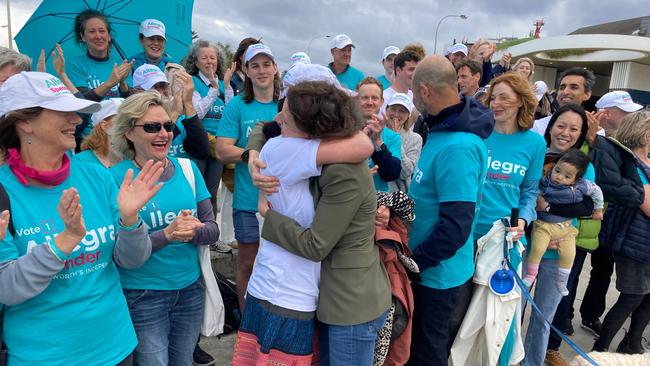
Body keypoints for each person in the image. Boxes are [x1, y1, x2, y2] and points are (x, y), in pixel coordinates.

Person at [0, 71, 163, 365]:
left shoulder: (96, 175)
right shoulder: (3, 192)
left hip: (117, 346)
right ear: (23, 121)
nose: (76, 120)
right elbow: (8, 289)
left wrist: (130, 220)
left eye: (75, 112)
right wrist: (65, 240)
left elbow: (132, 260)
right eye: (63, 112)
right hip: (45, 357)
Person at [231, 80, 375, 365]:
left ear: (312, 127)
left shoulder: (290, 148)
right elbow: (363, 146)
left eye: (288, 113)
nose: (279, 117)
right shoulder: (286, 148)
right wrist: (268, 216)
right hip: (286, 293)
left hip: (278, 287)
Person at [110, 90, 219, 365]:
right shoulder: (113, 179)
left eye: (168, 126)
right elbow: (122, 254)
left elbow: (213, 230)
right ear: (128, 133)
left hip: (190, 288)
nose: (163, 134)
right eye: (151, 127)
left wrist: (193, 231)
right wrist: (168, 234)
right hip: (142, 294)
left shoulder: (188, 169)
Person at [451, 72, 546, 363]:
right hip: (467, 234)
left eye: (505, 96)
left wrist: (524, 220)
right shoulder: (478, 134)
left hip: (503, 240)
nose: (497, 102)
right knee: (460, 312)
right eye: (494, 96)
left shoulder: (534, 144)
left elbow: (530, 192)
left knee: (494, 318)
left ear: (521, 101)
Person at [406, 55, 493, 366]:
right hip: (428, 270)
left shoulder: (458, 147)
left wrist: (413, 264)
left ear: (426, 91)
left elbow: (455, 228)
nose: (412, 99)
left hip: (436, 277)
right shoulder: (440, 131)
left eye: (414, 92)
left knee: (428, 355)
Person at [522, 104, 597, 366]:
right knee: (512, 309)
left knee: (543, 316)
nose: (565, 132)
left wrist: (551, 208)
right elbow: (523, 195)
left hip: (559, 247)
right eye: (561, 125)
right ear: (551, 126)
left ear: (581, 133)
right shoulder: (535, 152)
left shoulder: (583, 165)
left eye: (574, 129)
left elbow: (587, 206)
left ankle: (532, 361)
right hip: (526, 245)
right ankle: (504, 358)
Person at [215, 43, 280, 310]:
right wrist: (250, 155)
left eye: (266, 64)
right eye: (255, 65)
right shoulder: (237, 105)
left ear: (275, 68)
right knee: (248, 262)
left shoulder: (287, 103)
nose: (262, 70)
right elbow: (221, 149)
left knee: (279, 263)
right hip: (247, 199)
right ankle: (247, 324)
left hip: (282, 199)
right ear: (246, 70)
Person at [578, 90, 645, 337]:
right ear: (604, 113)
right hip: (588, 216)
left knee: (602, 271)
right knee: (577, 271)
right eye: (624, 111)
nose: (630, 116)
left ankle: (590, 314)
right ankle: (566, 318)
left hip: (612, 219)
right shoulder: (591, 138)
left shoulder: (626, 144)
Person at [593, 110, 650, 354]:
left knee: (647, 297)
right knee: (631, 297)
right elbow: (647, 206)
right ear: (646, 134)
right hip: (633, 243)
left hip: (644, 243)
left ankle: (632, 343)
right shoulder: (631, 164)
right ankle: (601, 349)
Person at [525, 149, 604, 291]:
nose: (559, 177)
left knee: (569, 255)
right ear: (553, 166)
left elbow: (596, 192)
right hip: (543, 226)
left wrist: (598, 209)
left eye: (567, 176)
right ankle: (531, 274)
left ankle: (562, 281)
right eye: (557, 171)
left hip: (566, 229)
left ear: (576, 179)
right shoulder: (545, 181)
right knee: (537, 248)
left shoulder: (581, 186)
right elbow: (532, 193)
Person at [68, 9, 133, 141]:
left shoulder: (121, 64)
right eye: (92, 31)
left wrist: (123, 84)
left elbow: (131, 103)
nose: (98, 36)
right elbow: (82, 104)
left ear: (109, 36)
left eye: (102, 31)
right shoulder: (74, 65)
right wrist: (109, 83)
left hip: (120, 135)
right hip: (89, 138)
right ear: (82, 36)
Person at [356, 77, 402, 192]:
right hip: (350, 197)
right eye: (365, 98)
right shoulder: (345, 131)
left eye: (374, 98)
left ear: (381, 101)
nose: (370, 102)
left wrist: (378, 142)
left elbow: (391, 174)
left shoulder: (393, 137)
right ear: (356, 100)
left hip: (379, 202)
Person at [532, 67, 595, 136]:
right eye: (562, 88)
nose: (565, 92)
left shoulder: (594, 132)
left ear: (587, 95)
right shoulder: (537, 127)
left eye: (573, 87)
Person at [385, 93, 422, 193]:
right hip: (372, 195)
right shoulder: (376, 132)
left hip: (398, 199)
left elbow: (406, 173)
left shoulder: (415, 139)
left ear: (408, 115)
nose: (396, 114)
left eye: (402, 111)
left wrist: (396, 140)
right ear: (386, 110)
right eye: (393, 109)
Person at [74, 98, 123, 167]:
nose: (129, 125)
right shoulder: (81, 161)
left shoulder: (133, 159)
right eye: (122, 120)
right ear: (105, 126)